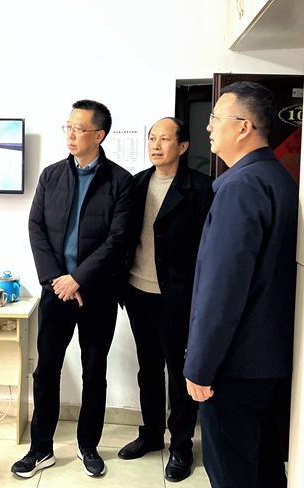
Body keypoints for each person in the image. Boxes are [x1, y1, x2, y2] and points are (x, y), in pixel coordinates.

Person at [184, 82, 298, 488]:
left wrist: (199, 366)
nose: (209, 127)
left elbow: (222, 291)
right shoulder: (276, 177)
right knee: (265, 469)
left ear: (244, 126)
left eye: (216, 118)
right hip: (267, 360)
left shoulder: (241, 187)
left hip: (235, 365)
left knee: (232, 474)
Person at [11, 99, 133, 479]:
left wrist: (77, 278)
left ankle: (87, 446)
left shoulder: (120, 181)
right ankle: (41, 449)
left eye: (79, 128)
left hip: (97, 293)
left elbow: (118, 239)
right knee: (45, 370)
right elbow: (36, 229)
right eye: (68, 127)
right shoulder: (51, 176)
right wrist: (56, 280)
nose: (71, 134)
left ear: (99, 135)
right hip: (55, 292)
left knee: (94, 371)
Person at [118, 118, 212, 482]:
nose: (156, 145)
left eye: (165, 139)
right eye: (152, 139)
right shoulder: (137, 183)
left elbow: (208, 250)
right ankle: (152, 434)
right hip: (138, 293)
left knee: (179, 372)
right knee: (148, 369)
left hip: (177, 299)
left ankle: (181, 445)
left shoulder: (201, 188)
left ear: (183, 146)